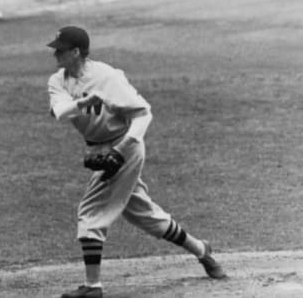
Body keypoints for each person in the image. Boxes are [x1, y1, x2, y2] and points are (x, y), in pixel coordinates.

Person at [46, 26, 226, 298]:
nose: (55, 53)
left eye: (60, 49)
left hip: (125, 145)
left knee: (90, 212)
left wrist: (121, 150)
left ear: (76, 52)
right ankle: (202, 250)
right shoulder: (58, 81)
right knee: (146, 216)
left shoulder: (108, 77)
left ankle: (92, 288)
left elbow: (143, 114)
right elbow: (60, 112)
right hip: (99, 149)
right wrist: (85, 103)